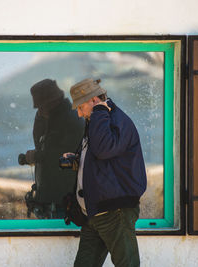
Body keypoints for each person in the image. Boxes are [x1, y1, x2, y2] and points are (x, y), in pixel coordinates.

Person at [65, 78, 147, 267]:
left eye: (80, 107)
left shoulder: (112, 118)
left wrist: (100, 111)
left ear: (94, 100)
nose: (78, 114)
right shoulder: (99, 119)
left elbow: (104, 149)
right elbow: (104, 157)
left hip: (114, 212)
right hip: (95, 213)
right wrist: (78, 159)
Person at [18, 79, 84, 219]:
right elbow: (42, 144)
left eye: (41, 107)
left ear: (53, 103)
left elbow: (67, 156)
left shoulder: (71, 119)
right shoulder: (53, 117)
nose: (39, 111)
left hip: (64, 198)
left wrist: (37, 157)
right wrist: (41, 119)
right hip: (51, 197)